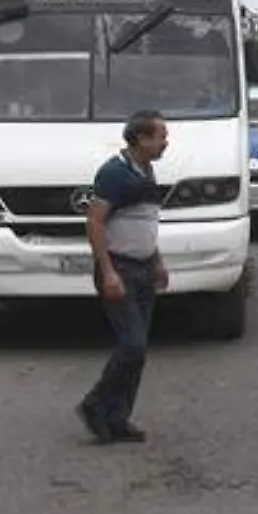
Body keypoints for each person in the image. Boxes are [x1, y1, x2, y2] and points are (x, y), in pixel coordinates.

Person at [75, 110, 170, 445]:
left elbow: (144, 222)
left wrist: (156, 261)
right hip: (121, 268)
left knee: (138, 350)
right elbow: (95, 222)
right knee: (132, 344)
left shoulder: (147, 171)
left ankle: (118, 418)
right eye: (160, 136)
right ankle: (95, 405)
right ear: (141, 139)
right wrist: (108, 271)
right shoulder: (114, 173)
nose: (165, 143)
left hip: (143, 267)